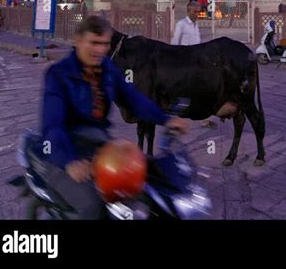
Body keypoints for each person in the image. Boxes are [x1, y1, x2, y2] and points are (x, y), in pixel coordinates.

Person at [39, 15, 188, 219]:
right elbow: (53, 126)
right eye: (94, 43)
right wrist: (69, 162)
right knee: (92, 205)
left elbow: (133, 98)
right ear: (78, 41)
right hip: (66, 149)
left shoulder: (107, 69)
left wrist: (165, 119)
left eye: (105, 44)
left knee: (149, 179)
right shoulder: (58, 74)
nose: (100, 50)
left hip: (99, 144)